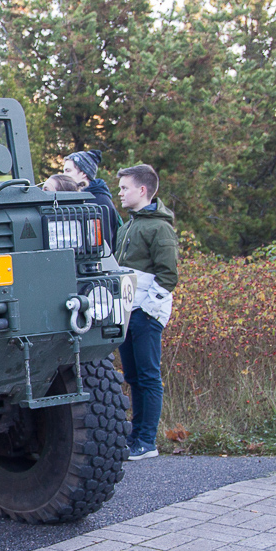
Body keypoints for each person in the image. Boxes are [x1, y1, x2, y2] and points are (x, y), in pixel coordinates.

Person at [115, 164, 179, 461]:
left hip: (146, 314)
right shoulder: (128, 226)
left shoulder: (159, 228)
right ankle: (135, 436)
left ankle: (147, 441)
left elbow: (168, 275)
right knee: (133, 376)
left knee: (149, 376)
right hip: (127, 313)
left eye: (125, 188)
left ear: (142, 190)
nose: (120, 193)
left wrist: (150, 309)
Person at [64, 150, 120, 244]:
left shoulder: (100, 202)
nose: (64, 175)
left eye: (68, 171)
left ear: (83, 173)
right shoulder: (78, 198)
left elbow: (105, 244)